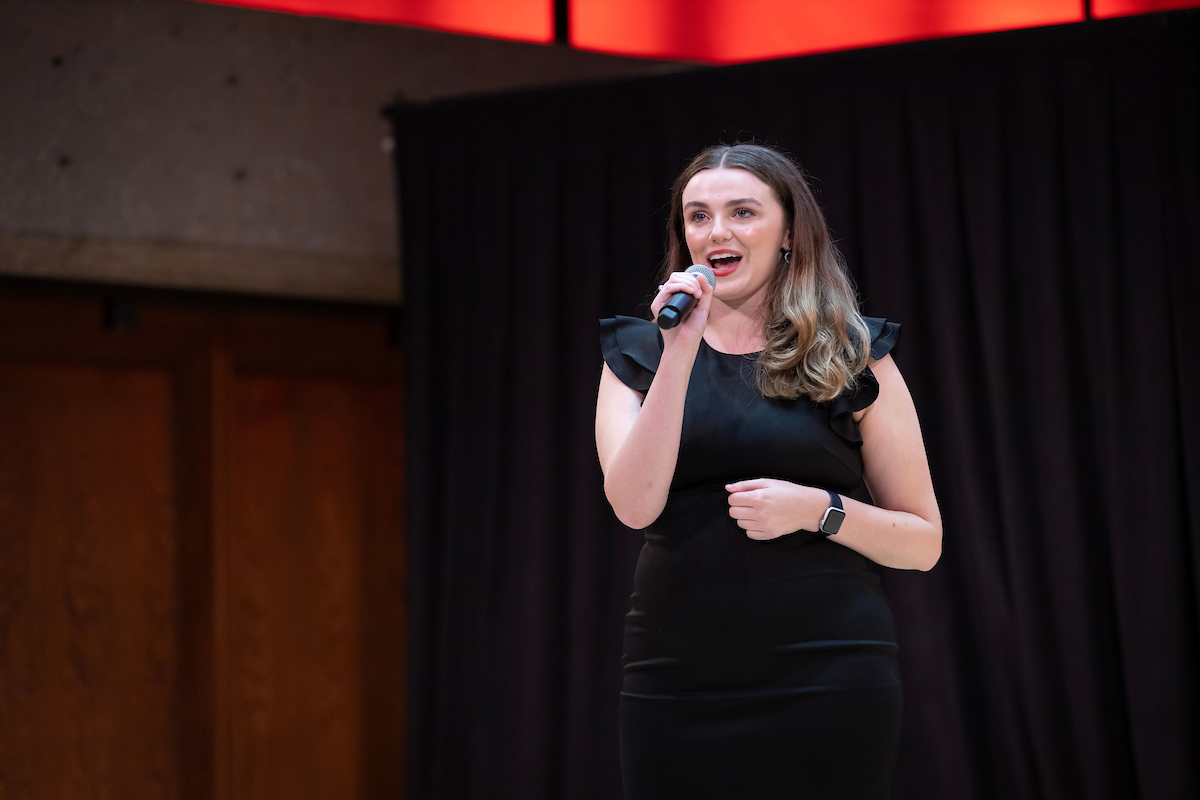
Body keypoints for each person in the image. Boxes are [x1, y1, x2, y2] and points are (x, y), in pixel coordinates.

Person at [595, 143, 942, 800]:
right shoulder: (636, 354)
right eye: (697, 216)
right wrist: (678, 353)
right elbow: (635, 505)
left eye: (743, 212)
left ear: (788, 234)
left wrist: (819, 510)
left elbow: (923, 541)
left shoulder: (853, 354)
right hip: (676, 678)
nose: (716, 231)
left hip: (825, 674)